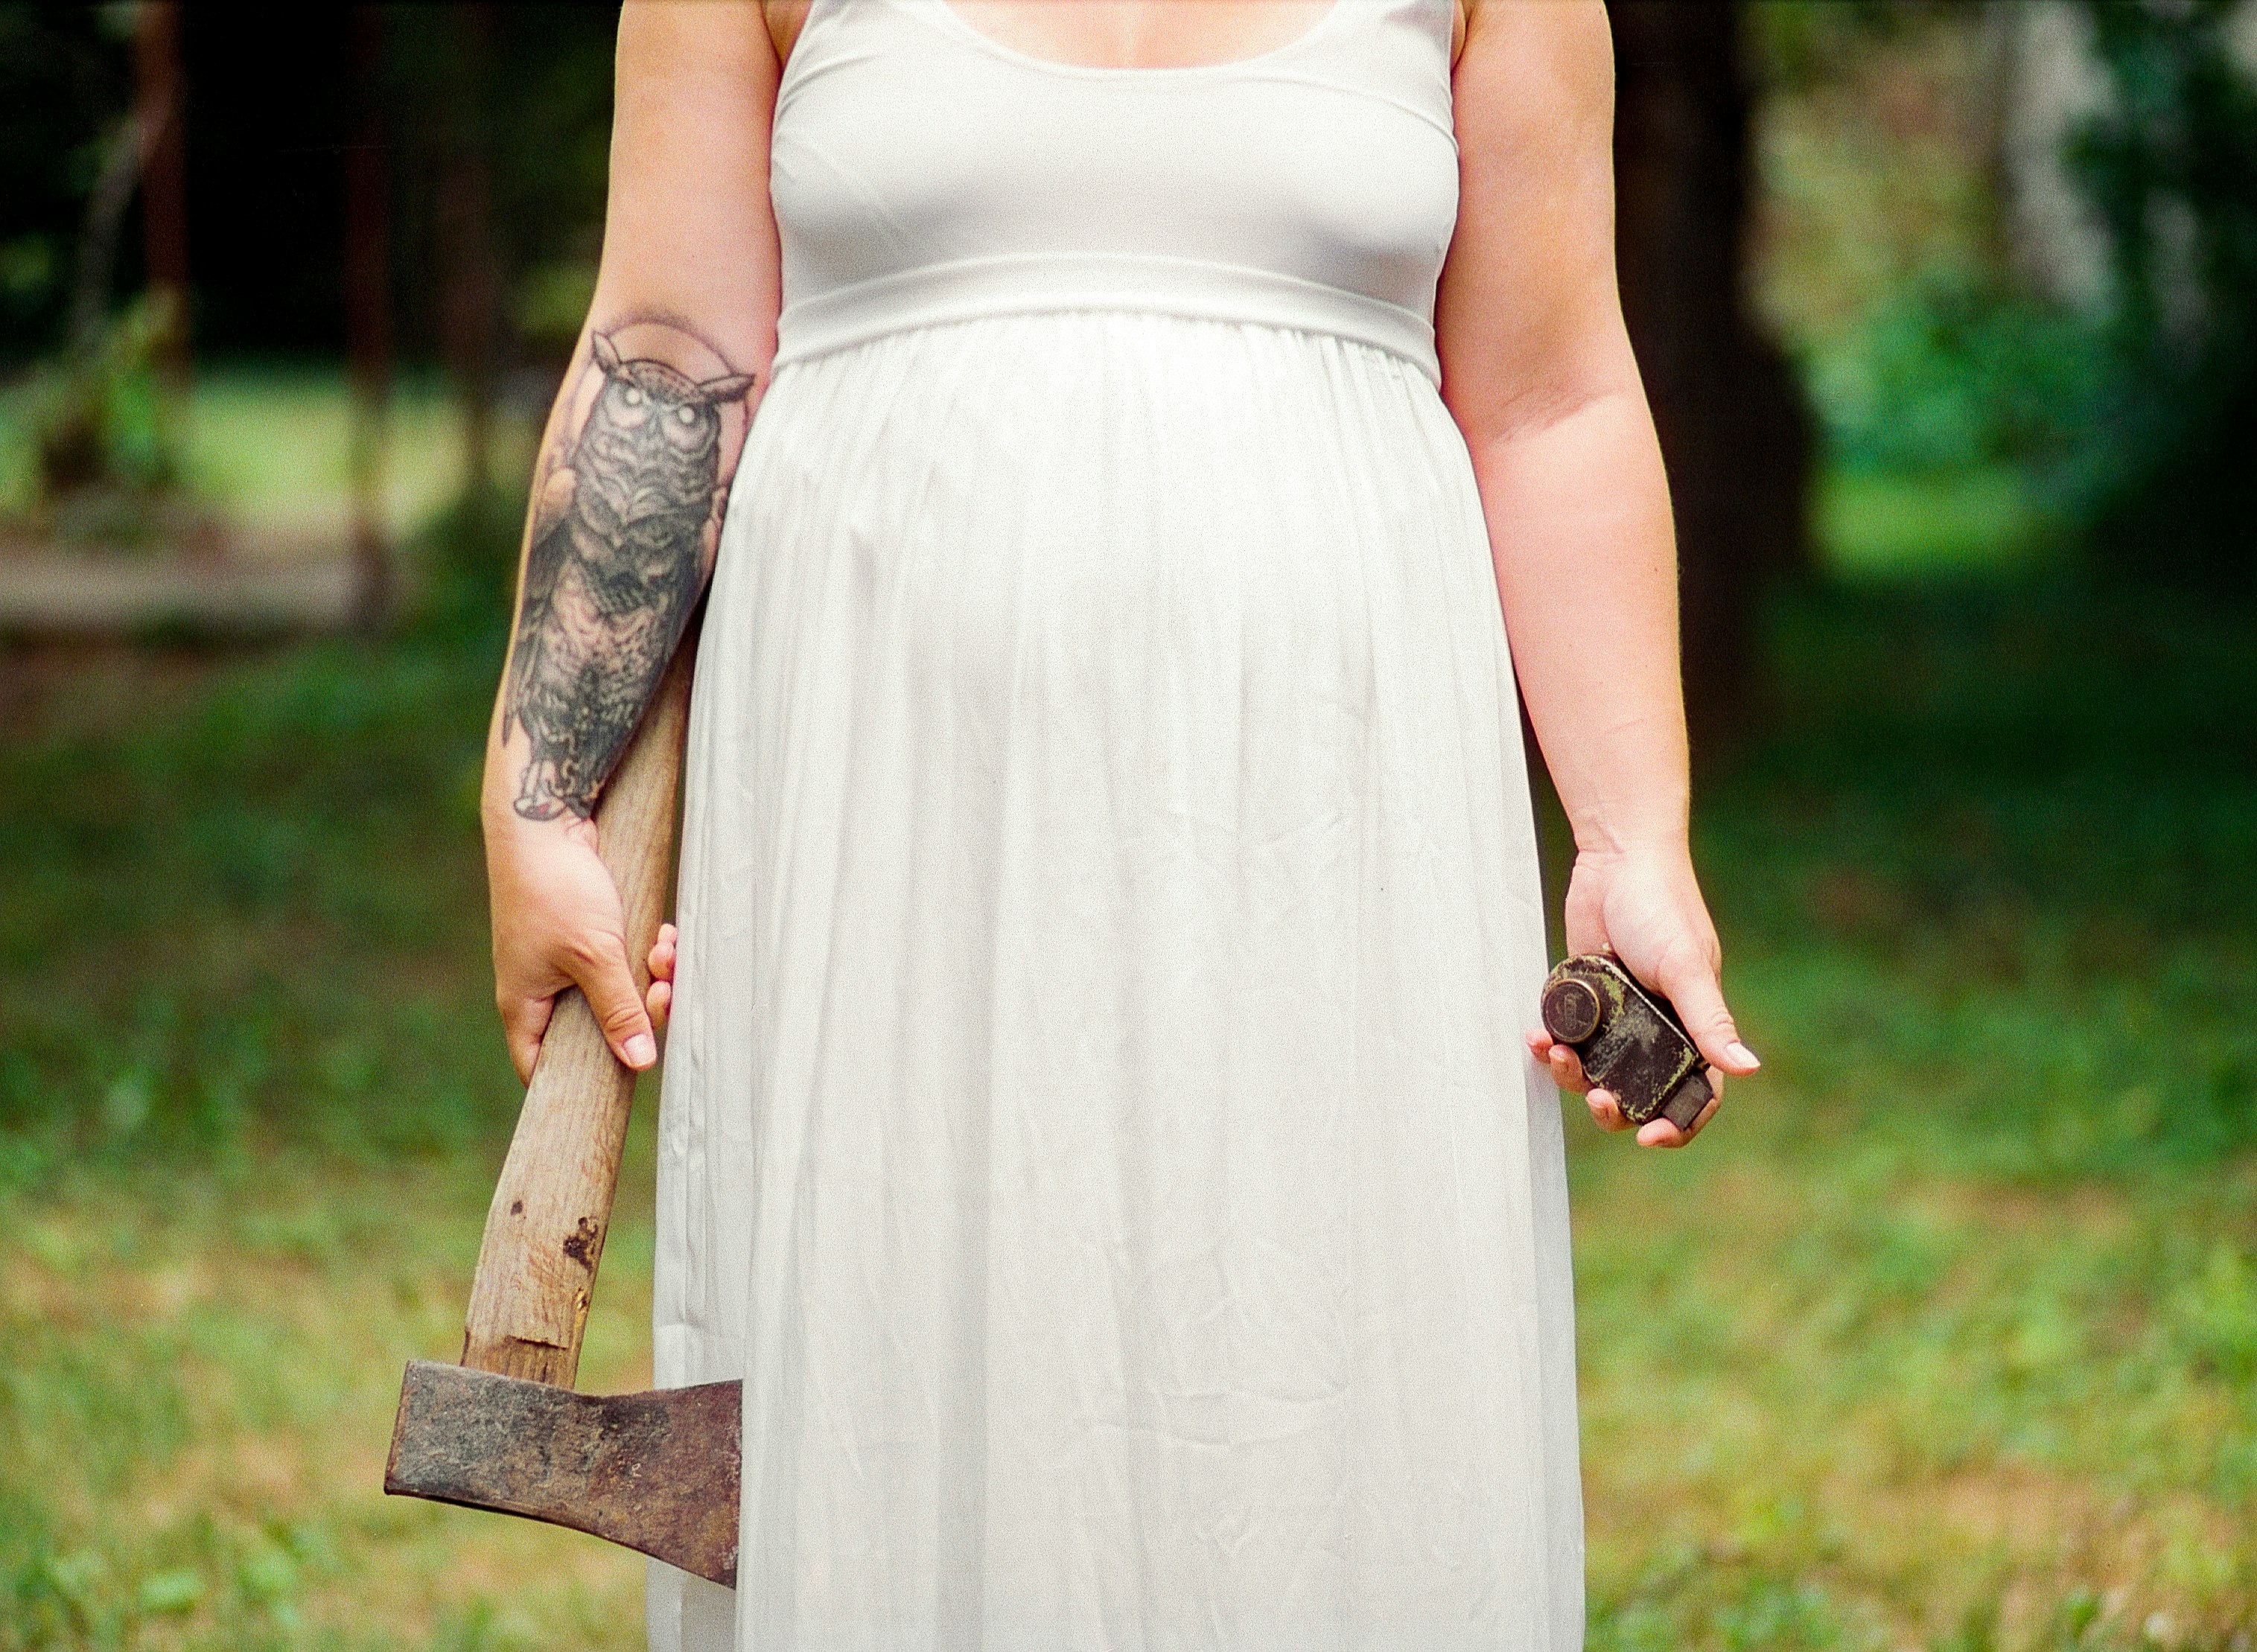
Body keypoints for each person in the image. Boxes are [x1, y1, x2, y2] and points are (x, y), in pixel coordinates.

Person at [480, 1, 1760, 1647]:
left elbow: (1550, 403)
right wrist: (539, 798)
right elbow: (663, 358)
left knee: (1312, 1342)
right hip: (883, 821)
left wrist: (1631, 835)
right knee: (902, 1335)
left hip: (1333, 825)